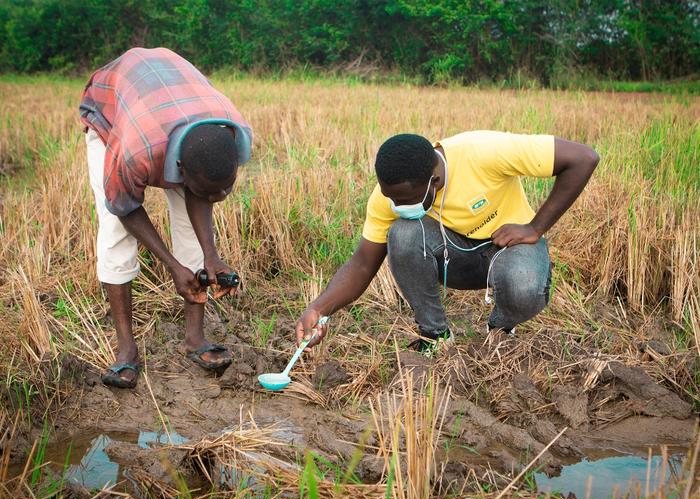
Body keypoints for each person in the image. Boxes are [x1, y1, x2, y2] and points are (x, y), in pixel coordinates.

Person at [295, 131, 599, 356]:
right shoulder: (388, 197)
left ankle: (501, 331)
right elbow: (362, 264)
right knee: (401, 233)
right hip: (455, 261)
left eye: (404, 200)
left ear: (434, 182)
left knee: (524, 284)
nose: (396, 205)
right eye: (391, 199)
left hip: (509, 251)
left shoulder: (483, 152)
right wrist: (319, 308)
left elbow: (583, 158)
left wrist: (535, 227)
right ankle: (436, 335)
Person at [80, 47, 252, 388]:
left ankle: (194, 338)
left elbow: (202, 194)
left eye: (224, 190)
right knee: (116, 232)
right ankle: (126, 349)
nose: (217, 199)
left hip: (173, 103)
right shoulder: (134, 153)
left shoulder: (232, 135)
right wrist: (173, 266)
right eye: (208, 190)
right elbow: (125, 207)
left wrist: (211, 256)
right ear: (179, 169)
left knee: (193, 225)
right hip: (112, 110)